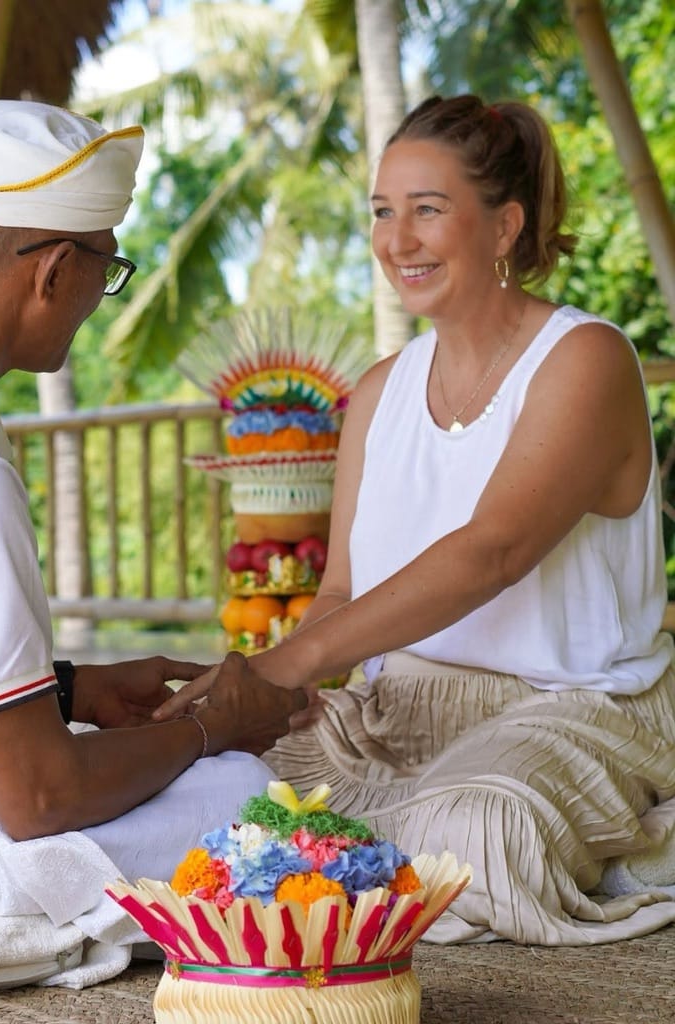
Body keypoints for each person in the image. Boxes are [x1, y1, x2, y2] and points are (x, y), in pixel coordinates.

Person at [163, 94, 675, 944]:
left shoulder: (585, 359)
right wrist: (248, 697)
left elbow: (493, 550)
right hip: (397, 707)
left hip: (572, 708)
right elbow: (339, 594)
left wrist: (287, 664)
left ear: (506, 225)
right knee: (206, 788)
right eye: (382, 212)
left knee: (472, 833)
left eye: (427, 211)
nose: (396, 240)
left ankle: (640, 838)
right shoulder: (376, 392)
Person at [0, 99, 306, 981]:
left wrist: (74, 686)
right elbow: (37, 798)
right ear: (53, 270)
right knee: (240, 797)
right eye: (108, 268)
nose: (99, 293)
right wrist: (211, 727)